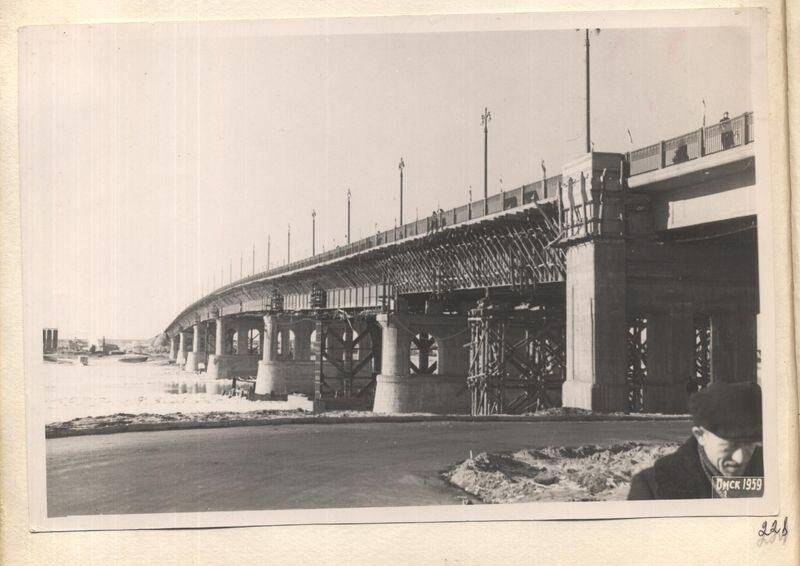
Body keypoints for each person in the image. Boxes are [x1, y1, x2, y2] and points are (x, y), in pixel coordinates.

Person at [628, 382, 763, 500]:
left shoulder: (776, 473)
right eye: (730, 445)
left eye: (749, 444)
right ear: (700, 436)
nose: (740, 458)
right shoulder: (651, 488)